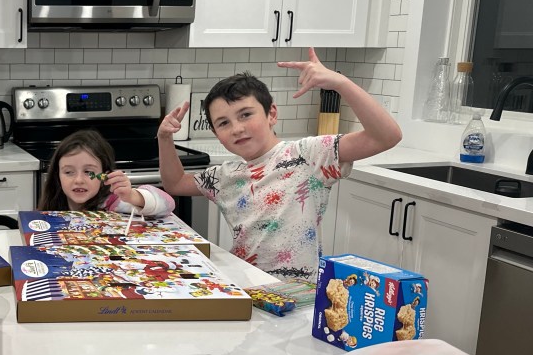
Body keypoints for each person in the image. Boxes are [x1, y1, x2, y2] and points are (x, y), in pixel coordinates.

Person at [157, 48, 402, 281]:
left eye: (245, 114)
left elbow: (386, 137)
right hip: (247, 287)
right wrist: (165, 138)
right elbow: (175, 183)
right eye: (223, 123)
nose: (237, 128)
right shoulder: (225, 176)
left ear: (271, 114)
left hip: (299, 295)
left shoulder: (309, 155)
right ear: (216, 133)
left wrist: (340, 83)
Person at [39, 129, 175, 216]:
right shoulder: (51, 207)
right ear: (57, 176)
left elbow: (168, 204)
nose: (78, 180)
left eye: (88, 172)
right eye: (69, 172)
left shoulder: (113, 203)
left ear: (104, 175)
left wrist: (131, 195)